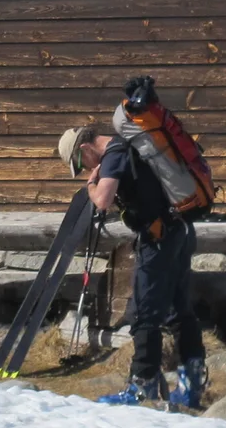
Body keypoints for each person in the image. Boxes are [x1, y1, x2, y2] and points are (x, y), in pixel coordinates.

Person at [60, 118, 207, 409]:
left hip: (158, 239)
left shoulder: (113, 155)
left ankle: (142, 387)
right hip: (179, 231)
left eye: (81, 162)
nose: (87, 169)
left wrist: (92, 184)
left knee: (143, 314)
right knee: (179, 311)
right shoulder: (130, 148)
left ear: (86, 147)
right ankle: (192, 383)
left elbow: (102, 200)